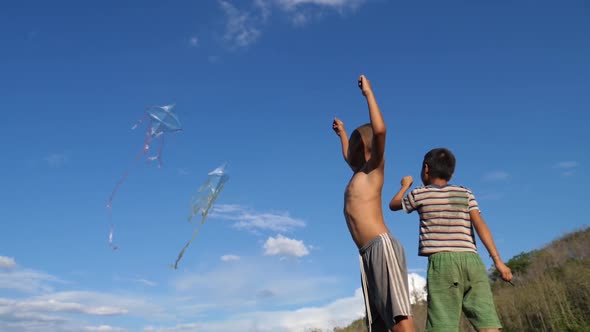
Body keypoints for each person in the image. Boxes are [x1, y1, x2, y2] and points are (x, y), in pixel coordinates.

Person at [389, 147, 513, 332]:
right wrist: (498, 262)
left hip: (443, 262)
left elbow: (393, 204)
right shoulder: (465, 193)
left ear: (426, 169)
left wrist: (405, 185)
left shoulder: (420, 193)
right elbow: (480, 225)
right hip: (473, 262)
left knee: (443, 324)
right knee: (488, 323)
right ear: (452, 174)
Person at [332, 75, 414, 332]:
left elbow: (380, 131)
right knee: (380, 323)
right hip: (366, 253)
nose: (350, 152)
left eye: (355, 145)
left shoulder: (373, 169)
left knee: (399, 317)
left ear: (366, 149)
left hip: (381, 246)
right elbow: (347, 156)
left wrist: (368, 94)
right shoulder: (358, 173)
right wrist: (343, 133)